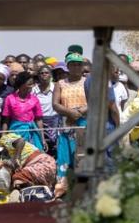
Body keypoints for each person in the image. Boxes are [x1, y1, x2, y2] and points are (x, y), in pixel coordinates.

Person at [52, 52, 88, 196]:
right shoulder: (60, 84)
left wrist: (80, 112)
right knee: (65, 155)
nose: (76, 67)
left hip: (84, 122)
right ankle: (63, 188)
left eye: (79, 64)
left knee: (81, 155)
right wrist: (70, 113)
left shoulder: (88, 81)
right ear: (67, 66)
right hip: (66, 123)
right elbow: (55, 104)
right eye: (73, 64)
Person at [2, 71, 46, 151]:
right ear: (21, 84)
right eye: (29, 84)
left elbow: (39, 120)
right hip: (16, 133)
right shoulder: (10, 99)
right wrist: (3, 136)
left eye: (33, 84)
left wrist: (42, 139)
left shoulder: (34, 99)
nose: (32, 86)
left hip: (32, 134)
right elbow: (6, 120)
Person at [33, 66, 59, 156]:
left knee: (55, 145)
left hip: (55, 120)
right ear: (38, 76)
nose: (44, 75)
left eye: (46, 73)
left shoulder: (56, 87)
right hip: (38, 120)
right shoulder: (33, 90)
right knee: (41, 144)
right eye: (41, 73)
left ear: (51, 75)